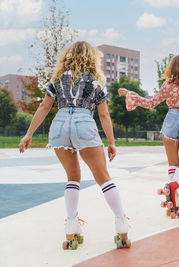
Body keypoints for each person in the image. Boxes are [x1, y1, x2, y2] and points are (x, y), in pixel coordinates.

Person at [19, 41, 130, 249]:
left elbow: (44, 106)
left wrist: (28, 134)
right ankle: (122, 223)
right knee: (103, 177)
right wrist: (112, 142)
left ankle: (71, 226)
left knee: (72, 178)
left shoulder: (57, 78)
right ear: (91, 58)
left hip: (59, 124)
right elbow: (104, 114)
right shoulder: (96, 81)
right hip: (83, 123)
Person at [118, 55, 179, 219]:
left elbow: (151, 103)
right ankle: (172, 186)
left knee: (173, 164)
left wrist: (132, 95)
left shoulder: (168, 85)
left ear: (171, 68)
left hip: (171, 119)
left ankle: (172, 202)